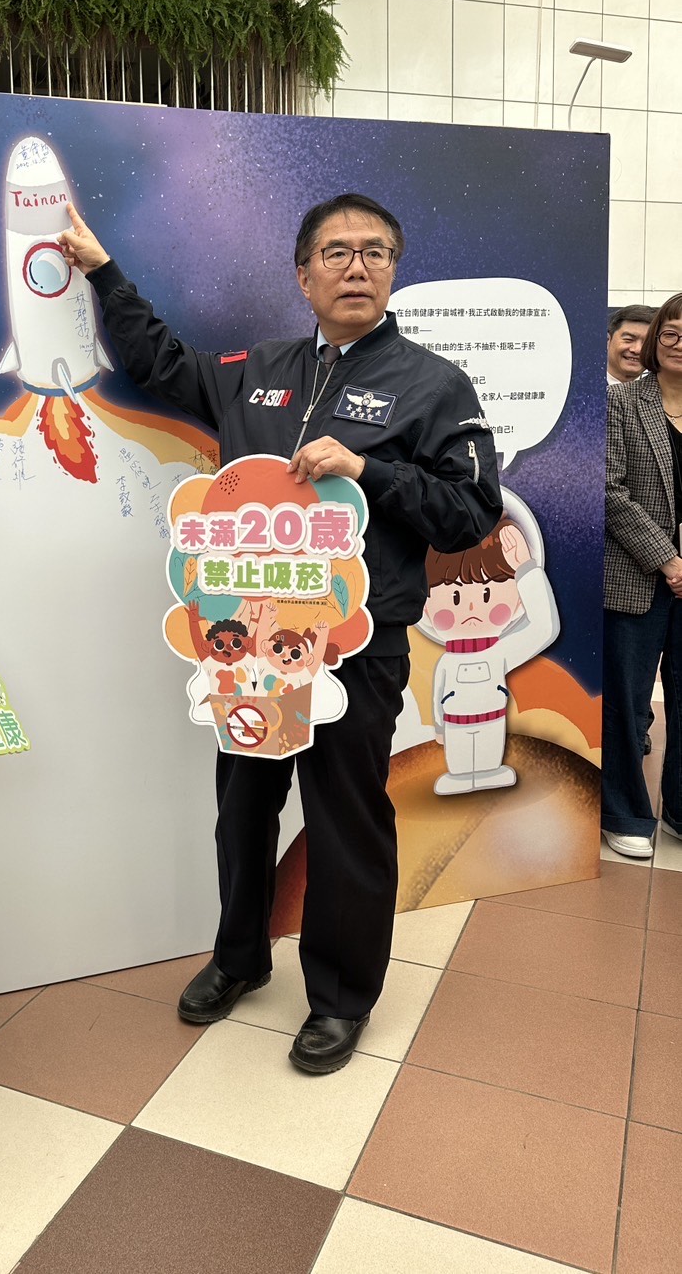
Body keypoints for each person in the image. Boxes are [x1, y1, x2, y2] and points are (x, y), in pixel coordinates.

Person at [59, 193, 502, 1073]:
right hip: (249, 643)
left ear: (393, 270)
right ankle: (239, 956)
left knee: (345, 818)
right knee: (242, 808)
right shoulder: (257, 368)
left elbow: (470, 513)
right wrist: (104, 275)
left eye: (375, 252)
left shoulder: (433, 383)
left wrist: (368, 469)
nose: (356, 266)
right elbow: (159, 362)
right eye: (336, 252)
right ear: (303, 275)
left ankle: (340, 996)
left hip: (355, 645)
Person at [603, 292, 682, 859]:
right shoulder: (622, 403)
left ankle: (678, 808)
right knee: (627, 702)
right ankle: (625, 811)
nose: (679, 343)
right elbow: (610, 491)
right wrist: (668, 559)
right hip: (637, 574)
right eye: (671, 331)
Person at [424, 515, 559, 796]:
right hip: (455, 723)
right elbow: (437, 697)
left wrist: (525, 569)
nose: (472, 607)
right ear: (425, 604)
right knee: (459, 754)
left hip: (493, 720)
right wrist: (439, 727)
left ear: (518, 600)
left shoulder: (500, 652)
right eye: (455, 597)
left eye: (487, 593)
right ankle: (460, 775)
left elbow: (544, 628)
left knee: (489, 747)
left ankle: (488, 771)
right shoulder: (448, 662)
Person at [607, 304, 654, 385]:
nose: (638, 350)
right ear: (608, 340)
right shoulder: (585, 383)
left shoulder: (663, 390)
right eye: (629, 340)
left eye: (647, 343)